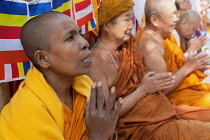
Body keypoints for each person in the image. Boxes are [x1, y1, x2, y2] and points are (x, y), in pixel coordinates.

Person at [89, 0, 210, 139]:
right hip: (142, 128)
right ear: (107, 25)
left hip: (162, 113)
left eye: (132, 19)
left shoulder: (127, 46)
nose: (131, 25)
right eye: (126, 20)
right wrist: (142, 90)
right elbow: (106, 115)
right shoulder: (97, 62)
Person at [0, 11, 123, 140]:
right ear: (43, 59)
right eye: (70, 38)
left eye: (80, 34)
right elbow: (99, 134)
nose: (84, 43)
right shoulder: (27, 110)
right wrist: (98, 136)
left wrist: (107, 130)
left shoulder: (84, 86)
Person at [136, 0, 210, 108]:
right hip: (172, 97)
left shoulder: (166, 34)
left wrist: (190, 61)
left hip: (183, 86)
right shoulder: (151, 47)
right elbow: (163, 90)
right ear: (154, 20)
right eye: (172, 15)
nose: (177, 19)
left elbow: (178, 64)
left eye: (176, 13)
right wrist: (188, 67)